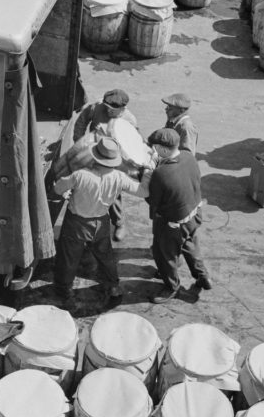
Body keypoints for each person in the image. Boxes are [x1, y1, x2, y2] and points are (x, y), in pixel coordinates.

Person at [53, 136, 150, 306]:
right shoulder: (119, 177)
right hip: (101, 222)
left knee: (69, 257)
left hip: (76, 224)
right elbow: (143, 192)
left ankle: (65, 289)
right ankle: (113, 286)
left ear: (94, 156)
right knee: (105, 256)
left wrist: (65, 191)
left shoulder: (80, 175)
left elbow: (57, 188)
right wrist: (147, 174)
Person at [146, 128, 212, 304]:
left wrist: (147, 175)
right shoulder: (188, 156)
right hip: (193, 215)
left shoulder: (161, 173)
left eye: (156, 147)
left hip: (172, 224)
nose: (154, 150)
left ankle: (171, 287)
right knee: (189, 244)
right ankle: (202, 275)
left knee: (164, 254)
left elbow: (153, 201)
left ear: (165, 150)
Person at [72, 89, 137, 241]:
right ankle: (84, 221)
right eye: (106, 108)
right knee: (85, 187)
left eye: (112, 110)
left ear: (122, 109)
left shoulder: (129, 120)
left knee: (113, 192)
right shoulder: (95, 107)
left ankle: (119, 223)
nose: (108, 111)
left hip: (114, 161)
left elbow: (132, 145)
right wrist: (79, 142)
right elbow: (81, 122)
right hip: (92, 154)